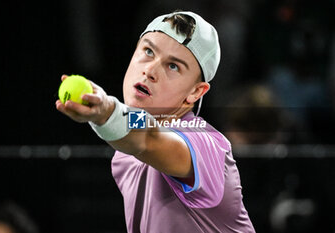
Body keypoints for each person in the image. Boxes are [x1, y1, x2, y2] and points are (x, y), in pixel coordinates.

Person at [56, 10, 255, 232]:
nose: (150, 70)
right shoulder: (125, 154)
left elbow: (150, 137)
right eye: (148, 51)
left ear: (195, 92)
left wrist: (107, 112)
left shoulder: (205, 143)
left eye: (173, 66)